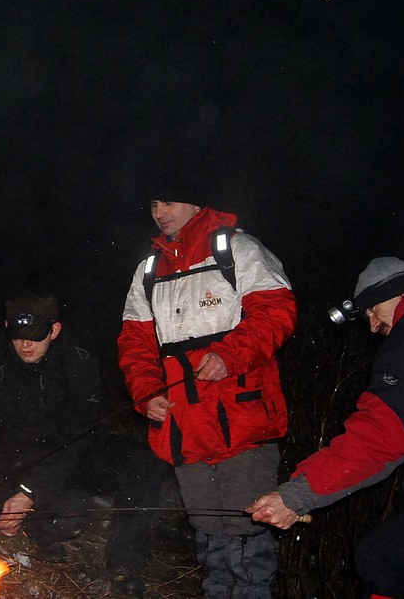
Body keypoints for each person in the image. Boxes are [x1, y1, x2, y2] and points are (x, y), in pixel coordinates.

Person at [248, 251, 404, 599]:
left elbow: (384, 434)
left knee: (385, 560)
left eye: (372, 311)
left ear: (396, 293)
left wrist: (295, 496)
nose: (373, 327)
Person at [118, 186, 297, 599]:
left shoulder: (238, 249)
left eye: (168, 201)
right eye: (153, 204)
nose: (159, 212)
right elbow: (134, 343)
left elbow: (277, 312)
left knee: (246, 532)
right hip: (184, 425)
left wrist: (229, 356)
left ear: (196, 201)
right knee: (208, 533)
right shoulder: (148, 270)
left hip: (243, 422)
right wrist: (147, 394)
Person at [0, 293, 167, 599]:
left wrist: (30, 492)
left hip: (75, 456)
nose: (26, 344)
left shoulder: (80, 364)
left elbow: (78, 438)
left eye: (36, 335)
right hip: (26, 464)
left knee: (143, 462)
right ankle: (41, 533)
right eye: (18, 335)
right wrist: (2, 502)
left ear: (54, 330)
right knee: (69, 516)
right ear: (7, 328)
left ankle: (125, 564)